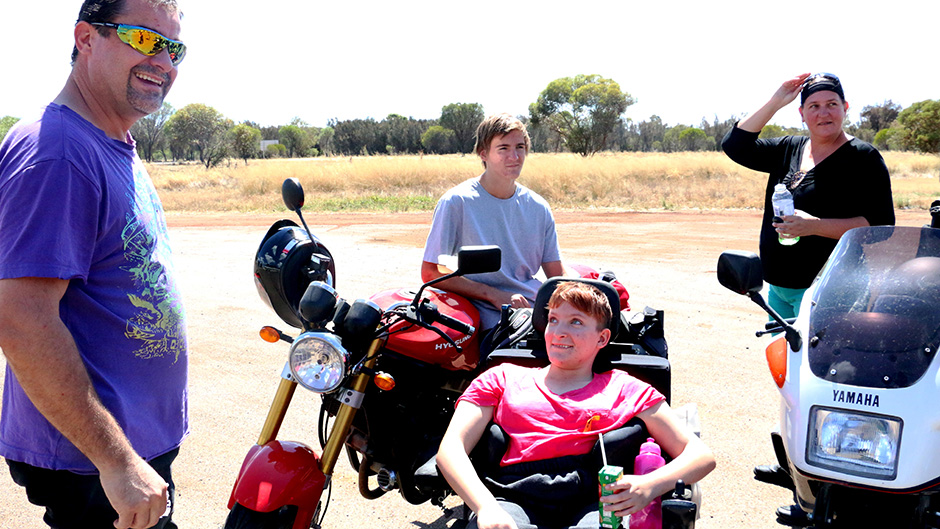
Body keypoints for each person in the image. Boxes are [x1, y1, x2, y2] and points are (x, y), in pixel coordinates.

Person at [0, 1, 188, 528]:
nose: (165, 62)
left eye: (174, 48)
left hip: (122, 450)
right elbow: (21, 319)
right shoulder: (57, 152)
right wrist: (117, 461)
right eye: (147, 41)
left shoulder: (109, 142)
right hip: (93, 464)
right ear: (86, 38)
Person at [437, 282, 715, 529]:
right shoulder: (501, 377)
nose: (559, 332)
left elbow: (701, 456)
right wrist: (485, 507)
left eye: (576, 322)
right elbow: (451, 449)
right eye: (554, 320)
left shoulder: (626, 388)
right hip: (512, 496)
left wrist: (650, 486)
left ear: (602, 338)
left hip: (593, 502)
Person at [721, 72, 895, 320]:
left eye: (832, 105)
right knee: (781, 358)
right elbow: (735, 145)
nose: (823, 113)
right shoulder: (788, 148)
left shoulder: (863, 158)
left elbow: (880, 226)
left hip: (831, 289)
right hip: (779, 288)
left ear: (845, 108)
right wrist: (777, 101)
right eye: (814, 106)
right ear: (802, 114)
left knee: (823, 359)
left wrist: (814, 226)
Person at [421, 113, 568, 331]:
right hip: (482, 312)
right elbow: (431, 272)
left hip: (532, 308)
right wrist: (492, 294)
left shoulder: (538, 207)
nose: (514, 156)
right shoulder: (457, 202)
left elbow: (556, 274)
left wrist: (578, 297)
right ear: (483, 153)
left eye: (520, 147)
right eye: (503, 148)